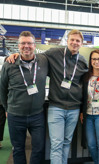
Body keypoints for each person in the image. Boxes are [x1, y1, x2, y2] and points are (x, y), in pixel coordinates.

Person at [6, 29, 88, 164]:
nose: (74, 42)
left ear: (81, 43)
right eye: (72, 40)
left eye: (77, 40)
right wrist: (18, 54)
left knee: (67, 142)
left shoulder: (82, 61)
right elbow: (33, 56)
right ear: (67, 41)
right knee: (56, 144)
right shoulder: (54, 53)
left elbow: (87, 77)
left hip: (74, 108)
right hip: (56, 107)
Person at [0, 31, 48, 164]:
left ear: (34, 45)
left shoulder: (43, 61)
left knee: (38, 148)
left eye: (29, 43)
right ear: (18, 45)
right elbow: (2, 89)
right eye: (23, 43)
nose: (26, 46)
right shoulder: (9, 64)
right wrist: (6, 108)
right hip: (16, 115)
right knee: (18, 149)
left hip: (37, 115)